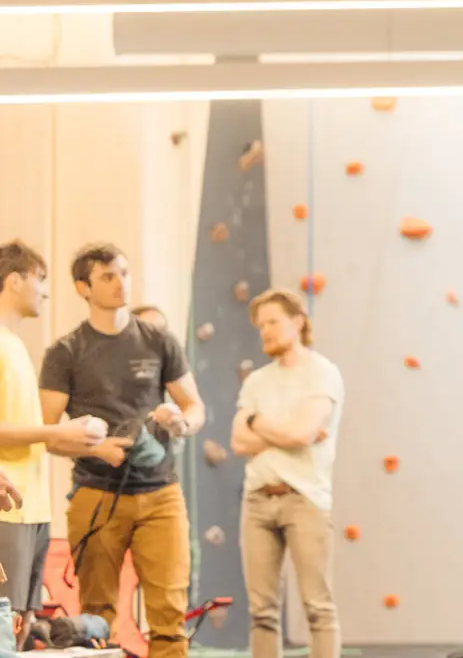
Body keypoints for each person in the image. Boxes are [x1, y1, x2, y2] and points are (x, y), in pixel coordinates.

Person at [39, 243, 207, 658]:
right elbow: (45, 432)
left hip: (161, 494)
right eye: (108, 276)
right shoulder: (66, 352)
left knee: (169, 617)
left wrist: (179, 423)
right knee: (96, 619)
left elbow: (195, 406)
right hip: (95, 495)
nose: (120, 283)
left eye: (125, 274)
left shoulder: (158, 340)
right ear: (83, 287)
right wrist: (96, 450)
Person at [230, 288, 343, 658]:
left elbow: (302, 433)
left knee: (317, 606)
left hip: (305, 498)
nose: (265, 331)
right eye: (260, 325)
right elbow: (238, 442)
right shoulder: (256, 381)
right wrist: (288, 432)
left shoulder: (321, 373)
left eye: (273, 322)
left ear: (298, 322)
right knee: (262, 612)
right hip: (258, 499)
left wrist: (256, 420)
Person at [0, 242, 101, 636]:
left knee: (23, 628)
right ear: (14, 280)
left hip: (34, 509)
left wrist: (81, 440)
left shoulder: (16, 345)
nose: (45, 292)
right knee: (4, 631)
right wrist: (59, 431)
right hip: (7, 508)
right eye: (40, 280)